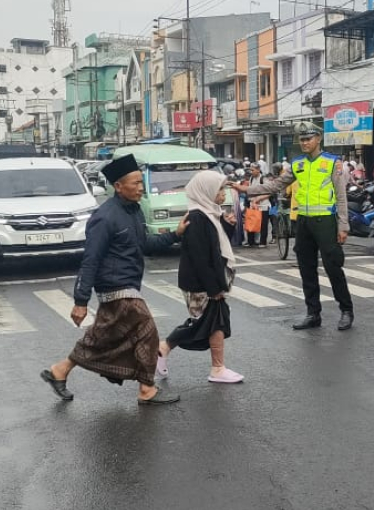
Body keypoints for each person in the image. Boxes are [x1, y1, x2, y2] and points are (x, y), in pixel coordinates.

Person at [40, 154, 187, 405]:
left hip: (130, 285)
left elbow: (145, 245)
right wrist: (80, 300)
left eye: (142, 182)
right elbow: (91, 259)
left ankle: (60, 371)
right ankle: (146, 389)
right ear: (118, 186)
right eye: (135, 183)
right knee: (148, 331)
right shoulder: (104, 217)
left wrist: (175, 234)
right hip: (115, 287)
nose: (141, 188)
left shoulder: (135, 211)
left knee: (102, 338)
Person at [244, 122, 354, 330]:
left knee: (333, 268)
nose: (304, 142)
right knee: (306, 269)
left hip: (326, 222)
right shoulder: (297, 164)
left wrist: (343, 225)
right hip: (303, 222)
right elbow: (275, 185)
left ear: (318, 139)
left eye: (308, 138)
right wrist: (247, 189)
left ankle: (346, 310)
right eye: (302, 139)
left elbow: (341, 196)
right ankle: (313, 314)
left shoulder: (332, 163)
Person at [157, 171, 243, 384]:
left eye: (223, 189)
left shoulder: (209, 214)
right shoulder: (197, 217)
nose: (223, 194)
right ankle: (166, 348)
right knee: (205, 323)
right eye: (219, 189)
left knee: (215, 321)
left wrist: (228, 227)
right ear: (206, 191)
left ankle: (216, 367)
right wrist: (214, 289)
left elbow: (216, 248)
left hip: (206, 281)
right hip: (199, 283)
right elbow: (200, 257)